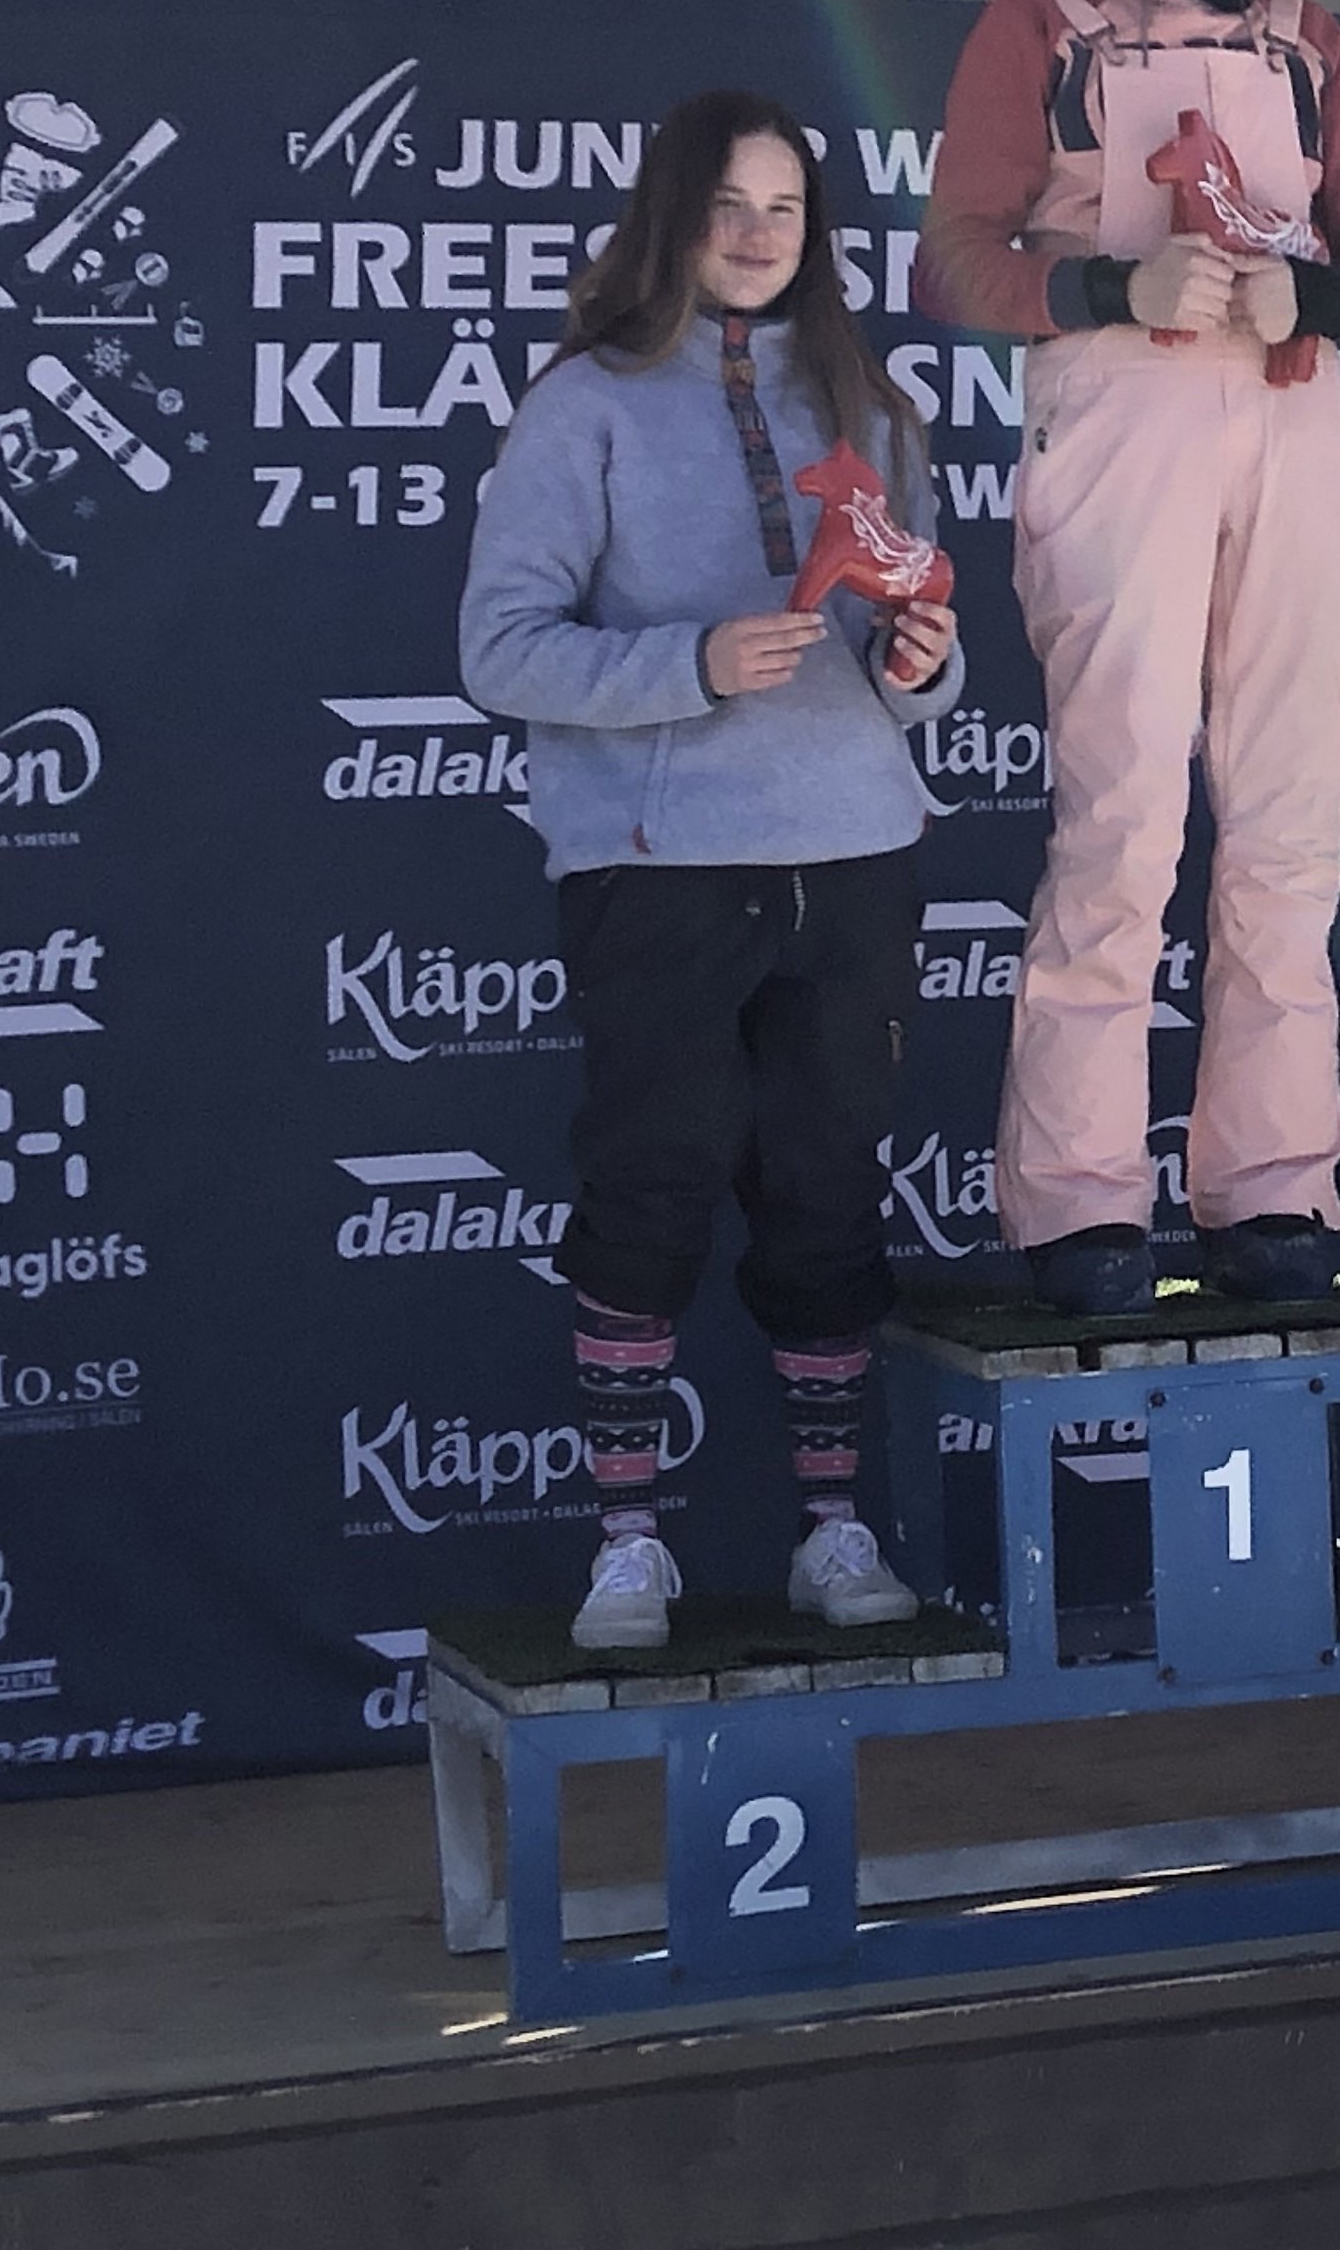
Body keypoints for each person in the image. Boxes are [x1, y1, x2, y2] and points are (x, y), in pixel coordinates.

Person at [915, 0, 1340, 1315]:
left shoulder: (1305, 32)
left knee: (1290, 819)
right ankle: (1077, 1197)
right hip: (1121, 412)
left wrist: (1329, 301)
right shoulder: (1041, 17)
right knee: (1124, 810)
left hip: (1290, 414)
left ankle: (1268, 1184)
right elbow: (952, 258)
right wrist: (1105, 284)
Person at [460, 91, 967, 1654]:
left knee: (829, 1203)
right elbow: (499, 649)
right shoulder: (583, 406)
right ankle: (628, 1546)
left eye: (785, 209)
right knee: (650, 1192)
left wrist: (923, 662)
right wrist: (690, 662)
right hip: (663, 865)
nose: (757, 236)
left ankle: (833, 1531)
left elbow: (914, 658)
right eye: (729, 206)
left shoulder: (872, 405)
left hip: (854, 853)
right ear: (671, 220)